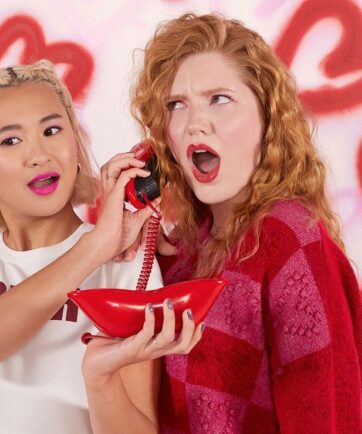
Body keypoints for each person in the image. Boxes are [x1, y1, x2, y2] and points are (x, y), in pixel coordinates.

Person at [0, 60, 203, 434]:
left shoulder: (127, 266)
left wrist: (101, 377)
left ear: (75, 143)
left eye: (52, 130)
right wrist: (96, 247)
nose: (39, 155)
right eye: (10, 141)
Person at [121, 13, 361, 433]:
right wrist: (126, 244)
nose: (195, 122)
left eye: (219, 99)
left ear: (268, 119)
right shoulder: (179, 252)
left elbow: (326, 417)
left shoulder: (289, 238)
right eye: (176, 105)